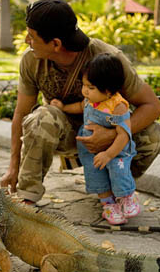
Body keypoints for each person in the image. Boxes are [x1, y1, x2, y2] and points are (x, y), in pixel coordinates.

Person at [0, 0, 160, 205]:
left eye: (32, 36)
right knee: (41, 117)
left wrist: (112, 134)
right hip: (67, 135)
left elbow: (152, 106)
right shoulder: (31, 60)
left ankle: (117, 188)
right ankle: (27, 199)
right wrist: (13, 166)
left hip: (110, 135)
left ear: (56, 44)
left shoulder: (107, 57)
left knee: (154, 135)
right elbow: (21, 113)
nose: (26, 40)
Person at [51, 53, 140, 224]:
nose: (85, 91)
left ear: (108, 90)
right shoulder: (90, 100)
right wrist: (63, 107)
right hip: (90, 148)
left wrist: (109, 155)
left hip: (115, 149)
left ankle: (127, 196)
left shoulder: (118, 106)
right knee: (95, 173)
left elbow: (123, 135)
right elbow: (80, 106)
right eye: (84, 85)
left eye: (90, 87)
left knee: (118, 171)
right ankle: (108, 204)